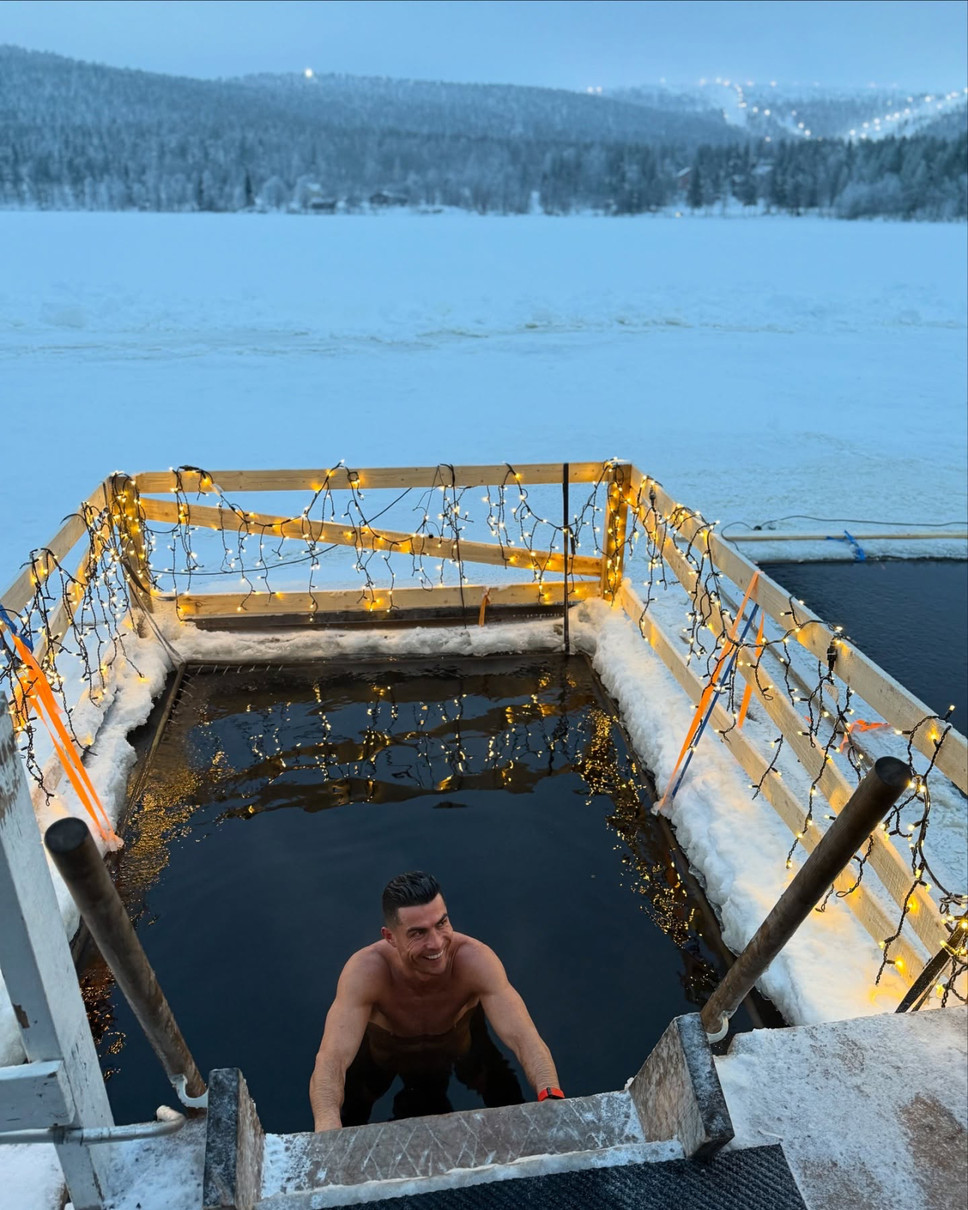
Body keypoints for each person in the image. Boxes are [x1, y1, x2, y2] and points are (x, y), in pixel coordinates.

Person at [309, 870, 564, 1130]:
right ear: (390, 937)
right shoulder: (367, 972)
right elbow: (333, 1058)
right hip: (384, 1061)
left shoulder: (474, 960)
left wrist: (551, 1096)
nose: (436, 943)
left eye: (441, 923)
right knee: (352, 1110)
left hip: (462, 1054)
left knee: (505, 1094)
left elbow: (524, 1037)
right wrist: (327, 1127)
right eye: (418, 933)